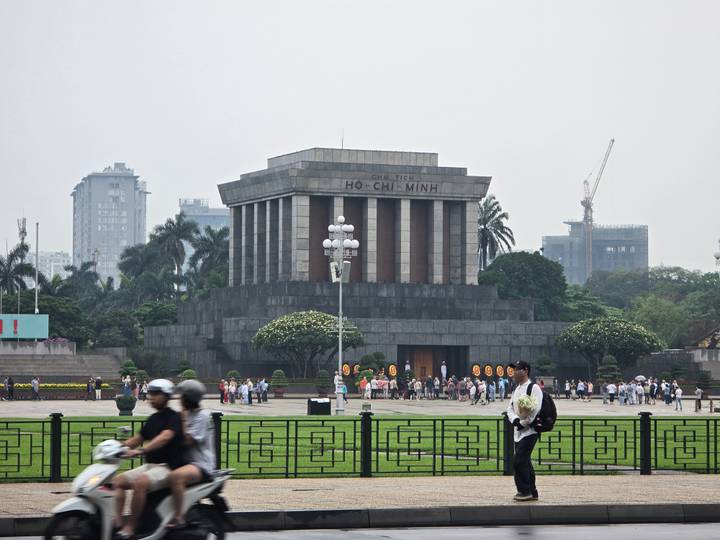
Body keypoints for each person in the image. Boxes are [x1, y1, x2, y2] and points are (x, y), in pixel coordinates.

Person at [113, 379, 189, 539]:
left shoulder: (174, 417)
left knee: (140, 483)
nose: (151, 397)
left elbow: (165, 437)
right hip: (151, 466)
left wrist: (142, 451)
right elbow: (138, 438)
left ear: (166, 396)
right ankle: (118, 523)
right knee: (117, 481)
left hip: (168, 467)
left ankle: (130, 528)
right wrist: (117, 447)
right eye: (150, 394)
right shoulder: (153, 418)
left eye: (156, 394)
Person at [167, 379, 215, 530]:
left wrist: (181, 420)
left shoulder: (202, 416)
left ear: (189, 399)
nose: (179, 400)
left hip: (201, 465)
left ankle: (178, 517)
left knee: (176, 477)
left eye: (182, 397)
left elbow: (188, 440)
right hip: (186, 462)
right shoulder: (187, 415)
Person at [506, 361, 543, 502]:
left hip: (530, 431)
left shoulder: (534, 388)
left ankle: (524, 490)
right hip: (518, 432)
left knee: (519, 461)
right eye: (513, 370)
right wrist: (515, 420)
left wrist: (524, 423)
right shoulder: (517, 389)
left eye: (517, 370)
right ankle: (533, 491)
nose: (514, 373)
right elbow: (510, 408)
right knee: (525, 462)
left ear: (525, 370)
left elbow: (536, 409)